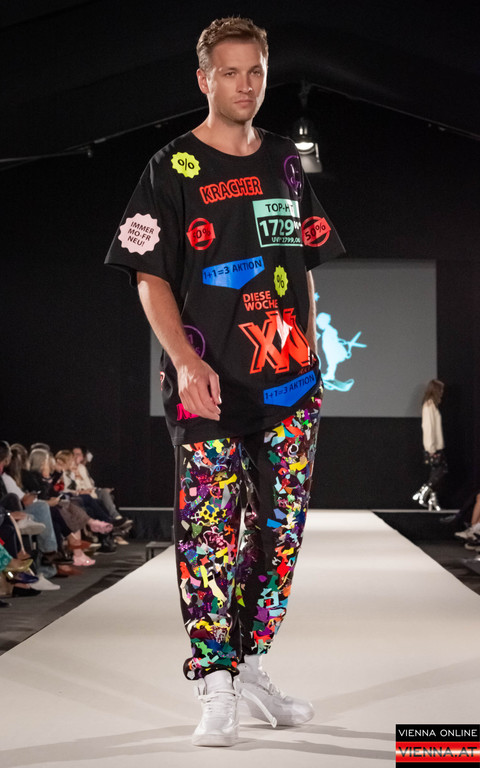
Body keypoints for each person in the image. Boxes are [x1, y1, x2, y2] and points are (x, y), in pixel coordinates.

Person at [105, 16, 345, 747]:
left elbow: (300, 262)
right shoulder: (170, 167)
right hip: (207, 385)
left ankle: (251, 664)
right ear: (204, 79)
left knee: (280, 534)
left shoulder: (284, 161)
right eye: (231, 72)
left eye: (256, 72)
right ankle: (214, 682)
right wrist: (184, 360)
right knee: (210, 535)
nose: (246, 85)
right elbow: (148, 277)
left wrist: (312, 350)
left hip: (289, 385)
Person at [413, 379, 447, 511]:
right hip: (433, 446)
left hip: (437, 445)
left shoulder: (432, 405)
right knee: (441, 471)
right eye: (441, 390)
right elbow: (428, 428)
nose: (442, 393)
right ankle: (422, 493)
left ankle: (432, 499)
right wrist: (431, 447)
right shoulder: (428, 406)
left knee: (435, 473)